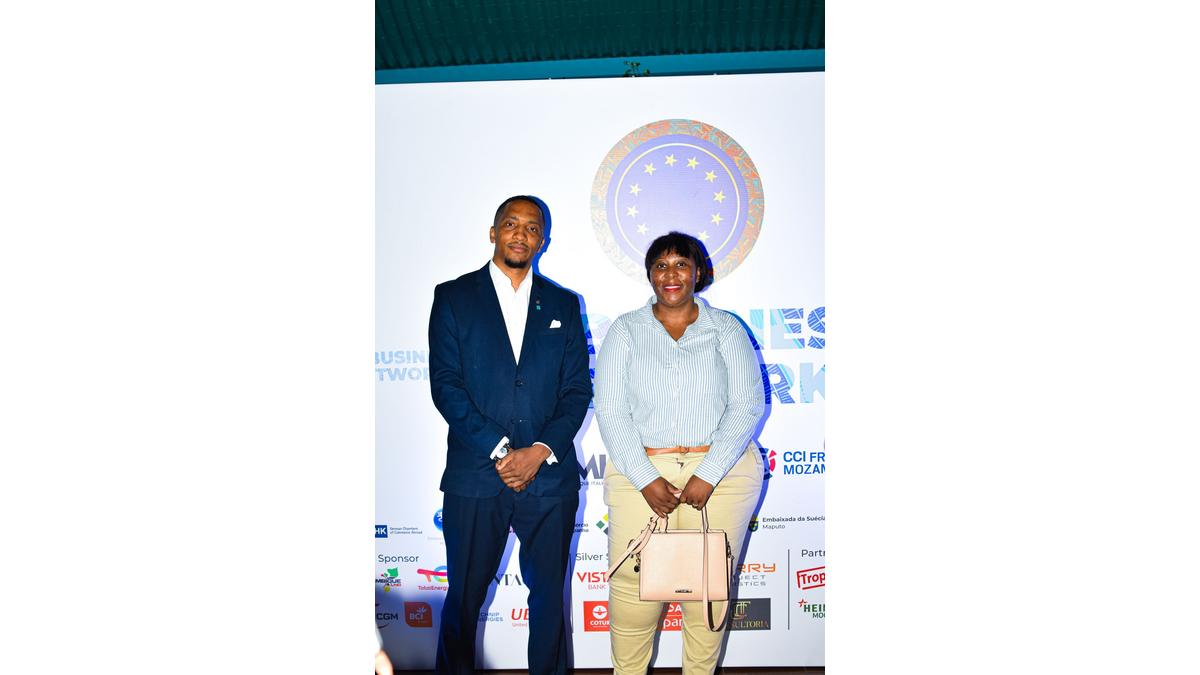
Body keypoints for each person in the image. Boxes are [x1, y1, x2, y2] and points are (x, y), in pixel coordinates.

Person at [428, 195, 591, 675]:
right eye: (511, 224)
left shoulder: (562, 303)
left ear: (543, 240)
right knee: (463, 600)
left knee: (549, 603)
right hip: (477, 476)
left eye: (532, 227)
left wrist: (538, 452)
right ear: (493, 232)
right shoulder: (454, 296)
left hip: (549, 479)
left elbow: (577, 390)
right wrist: (502, 450)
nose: (521, 234)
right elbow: (446, 385)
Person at [593, 231, 765, 675]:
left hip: (722, 473)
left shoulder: (726, 329)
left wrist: (708, 473)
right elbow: (610, 410)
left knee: (708, 590)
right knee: (632, 591)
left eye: (681, 264)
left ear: (698, 272)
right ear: (650, 274)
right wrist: (644, 478)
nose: (671, 274)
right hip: (641, 471)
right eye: (661, 265)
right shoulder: (625, 331)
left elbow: (747, 404)